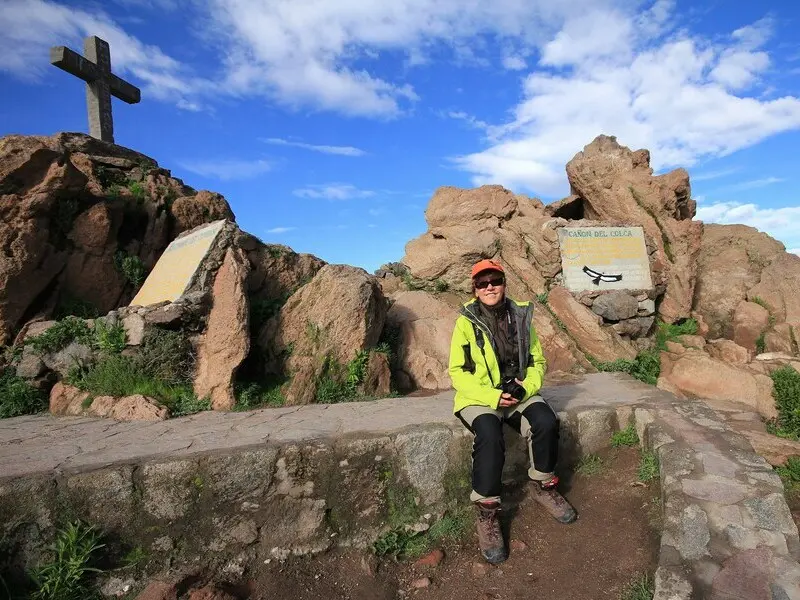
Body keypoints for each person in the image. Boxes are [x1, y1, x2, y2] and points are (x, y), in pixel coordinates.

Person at [448, 259, 577, 564]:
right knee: (490, 434)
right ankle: (487, 512)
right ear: (475, 289)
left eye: (494, 280)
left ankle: (543, 486)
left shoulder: (521, 316)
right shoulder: (466, 321)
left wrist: (524, 388)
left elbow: (537, 362)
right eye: (482, 283)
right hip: (479, 397)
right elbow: (457, 372)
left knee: (545, 420)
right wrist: (492, 396)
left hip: (518, 393)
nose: (489, 287)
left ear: (504, 283)